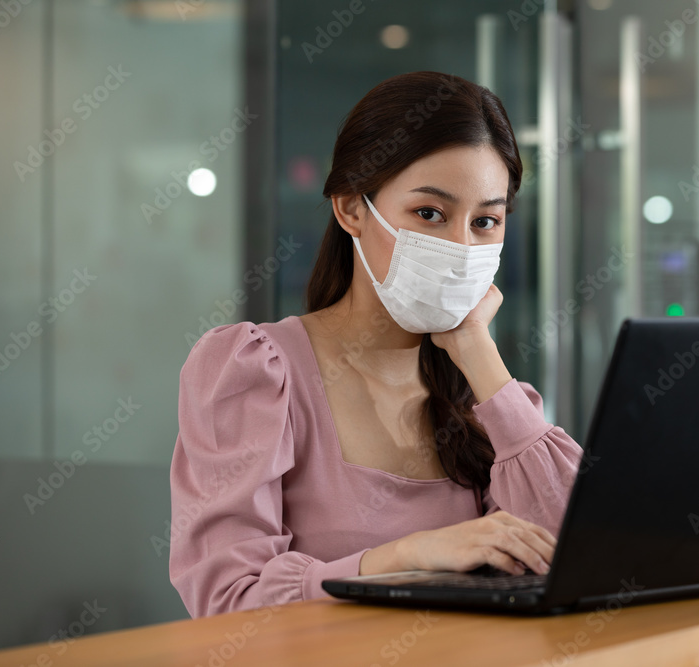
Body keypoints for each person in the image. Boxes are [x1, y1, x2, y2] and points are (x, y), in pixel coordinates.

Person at [169, 71, 584, 618]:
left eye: (486, 221)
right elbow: (226, 600)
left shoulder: (487, 396)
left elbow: (578, 561)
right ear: (351, 209)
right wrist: (406, 557)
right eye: (430, 214)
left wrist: (477, 351)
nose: (461, 247)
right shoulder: (255, 369)